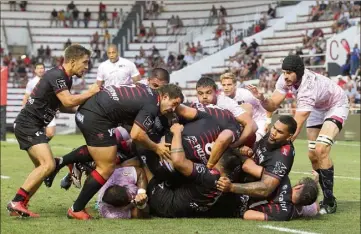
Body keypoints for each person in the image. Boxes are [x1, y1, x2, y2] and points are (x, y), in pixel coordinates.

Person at [45, 84, 185, 220]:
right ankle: (76, 209)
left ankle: (60, 162)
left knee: (105, 153)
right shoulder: (152, 104)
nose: (173, 109)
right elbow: (137, 135)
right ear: (165, 96)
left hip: (89, 110)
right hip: (97, 117)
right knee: (106, 167)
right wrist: (156, 147)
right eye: (174, 103)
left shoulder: (146, 90)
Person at [247, 55, 349, 214]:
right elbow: (272, 105)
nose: (285, 75)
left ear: (299, 72)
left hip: (335, 105)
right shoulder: (284, 79)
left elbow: (294, 127)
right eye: (284, 72)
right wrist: (261, 98)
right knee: (312, 155)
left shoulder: (307, 87)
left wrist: (274, 151)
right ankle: (314, 194)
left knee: (321, 149)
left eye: (289, 72)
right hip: (317, 107)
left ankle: (329, 201)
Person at [6, 45, 100, 218]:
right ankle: (17, 201)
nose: (87, 67)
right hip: (29, 125)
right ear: (72, 61)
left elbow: (64, 105)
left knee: (45, 168)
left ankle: (20, 204)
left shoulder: (66, 78)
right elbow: (68, 100)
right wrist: (91, 92)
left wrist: (85, 109)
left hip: (32, 125)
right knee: (48, 165)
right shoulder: (57, 75)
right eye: (85, 62)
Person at [144, 123, 240, 218]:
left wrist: (177, 133)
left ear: (220, 160)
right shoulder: (225, 182)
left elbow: (178, 161)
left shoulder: (210, 176)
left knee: (144, 155)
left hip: (166, 203)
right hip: (184, 209)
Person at [217, 116, 300, 221]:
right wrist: (249, 151)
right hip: (244, 173)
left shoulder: (283, 156)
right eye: (274, 128)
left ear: (289, 137)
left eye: (279, 131)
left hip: (248, 193)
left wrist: (231, 187)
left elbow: (266, 188)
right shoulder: (271, 136)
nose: (273, 133)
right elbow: (256, 151)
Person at [196, 77, 258, 153]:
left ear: (216, 92)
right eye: (200, 93)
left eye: (208, 92)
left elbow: (253, 125)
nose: (204, 97)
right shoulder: (196, 105)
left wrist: (236, 144)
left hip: (231, 141)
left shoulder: (226, 103)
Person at [220, 72, 270, 141]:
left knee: (255, 141)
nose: (226, 88)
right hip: (243, 124)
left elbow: (266, 105)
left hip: (258, 121)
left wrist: (268, 121)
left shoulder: (245, 94)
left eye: (229, 85)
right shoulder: (221, 99)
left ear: (235, 85)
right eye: (224, 85)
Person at [22, 63, 56, 140]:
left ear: (44, 70)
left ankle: (41, 146)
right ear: (35, 70)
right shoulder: (31, 82)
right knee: (35, 132)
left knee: (50, 133)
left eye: (42, 68)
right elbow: (26, 97)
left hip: (48, 110)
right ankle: (39, 148)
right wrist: (23, 109)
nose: (40, 70)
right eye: (38, 68)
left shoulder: (50, 80)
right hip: (36, 111)